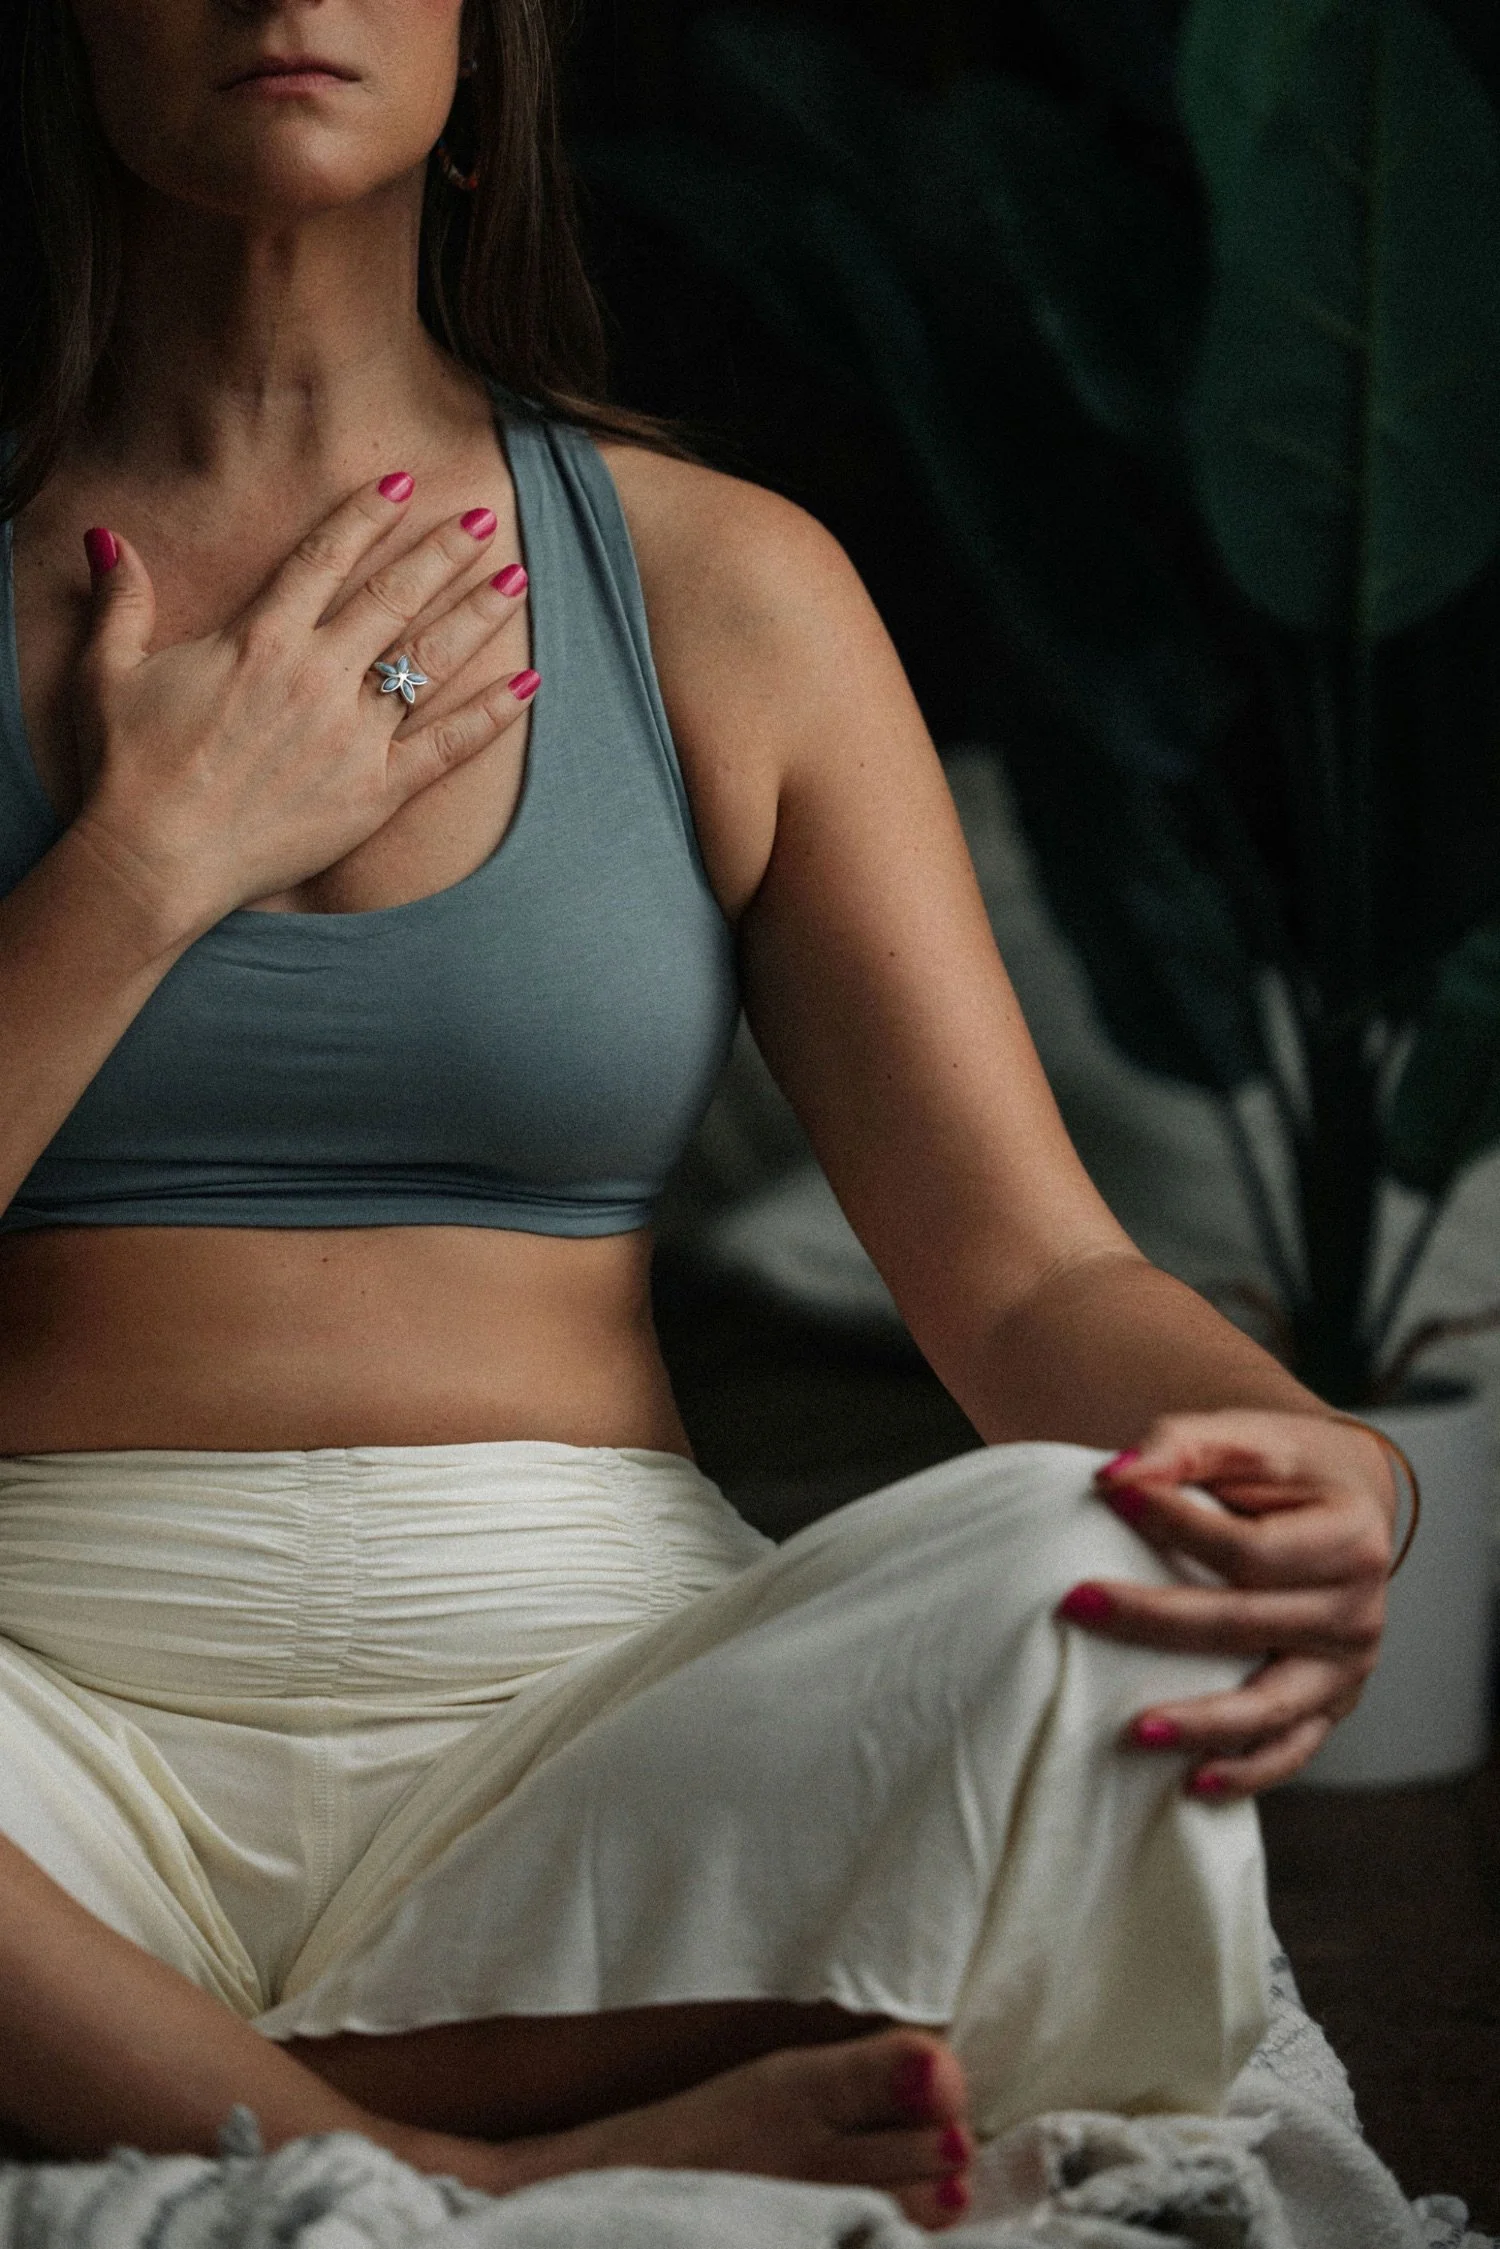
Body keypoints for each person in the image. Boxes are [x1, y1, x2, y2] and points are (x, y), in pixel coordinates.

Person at [0, 0, 1394, 2227]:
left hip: (598, 1729)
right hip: (41, 1720)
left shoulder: (720, 581)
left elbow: (1030, 1270)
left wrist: (1331, 1460)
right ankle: (428, 2144)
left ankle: (148, 2075)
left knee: (1103, 1562)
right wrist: (155, 858)